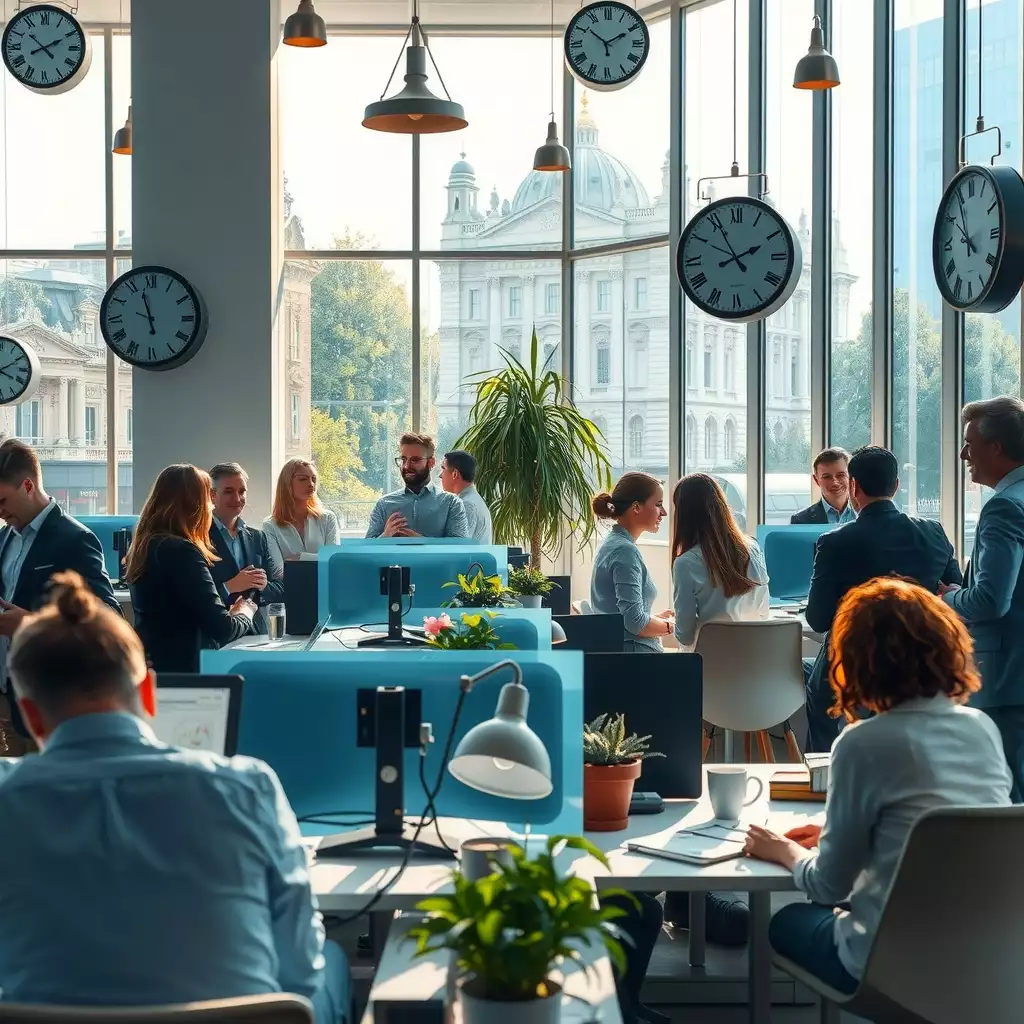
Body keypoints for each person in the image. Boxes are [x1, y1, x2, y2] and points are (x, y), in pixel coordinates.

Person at [0, 570, 350, 1021]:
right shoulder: (246, 788)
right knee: (335, 966)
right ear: (149, 692)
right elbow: (299, 974)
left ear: (28, 716)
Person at [745, 577, 1011, 994]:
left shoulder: (861, 744)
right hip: (993, 959)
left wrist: (783, 850)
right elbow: (945, 831)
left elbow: (827, 886)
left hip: (891, 965)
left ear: (855, 659)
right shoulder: (982, 730)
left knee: (786, 922)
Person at [803, 445, 962, 751]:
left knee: (819, 692)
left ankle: (822, 777)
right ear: (896, 486)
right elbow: (954, 590)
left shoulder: (835, 542)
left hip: (852, 657)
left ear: (854, 486)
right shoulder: (934, 533)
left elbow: (818, 619)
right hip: (919, 657)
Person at [0, 438, 120, 753]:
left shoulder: (75, 539)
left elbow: (109, 615)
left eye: (2, 501)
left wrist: (33, 622)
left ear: (28, 486)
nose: (0, 512)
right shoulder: (4, 538)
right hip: (5, 699)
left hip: (45, 702)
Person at [940, 396, 1024, 801]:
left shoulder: (1004, 508)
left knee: (1005, 798)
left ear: (996, 447)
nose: (962, 454)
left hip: (1007, 679)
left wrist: (951, 598)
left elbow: (990, 600)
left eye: (969, 444)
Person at [127, 465, 256, 672]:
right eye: (208, 500)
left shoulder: (146, 545)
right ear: (194, 504)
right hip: (186, 673)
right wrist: (245, 612)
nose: (210, 508)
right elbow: (222, 628)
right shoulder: (182, 551)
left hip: (155, 667)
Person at [670, 472, 770, 651]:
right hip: (751, 661)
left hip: (706, 667)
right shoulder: (753, 548)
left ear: (683, 514)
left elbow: (685, 637)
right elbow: (763, 613)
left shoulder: (685, 563)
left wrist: (672, 624)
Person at [590, 472, 673, 652]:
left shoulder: (613, 543)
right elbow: (635, 622)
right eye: (658, 504)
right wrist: (672, 627)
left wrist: (655, 619)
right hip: (635, 658)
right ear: (636, 507)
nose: (664, 512)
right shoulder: (625, 550)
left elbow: (623, 616)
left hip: (620, 651)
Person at [209, 462, 284, 635]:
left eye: (242, 491)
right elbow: (193, 600)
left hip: (256, 634)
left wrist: (264, 585)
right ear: (213, 495)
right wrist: (230, 586)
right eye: (228, 491)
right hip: (218, 637)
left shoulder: (257, 537)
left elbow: (279, 590)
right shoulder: (198, 538)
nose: (237, 498)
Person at [365, 433, 469, 539]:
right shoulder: (384, 504)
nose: (406, 466)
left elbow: (458, 548)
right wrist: (385, 536)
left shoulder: (452, 503)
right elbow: (366, 550)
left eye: (415, 460)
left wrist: (422, 541)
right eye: (404, 459)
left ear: (431, 462)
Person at [262, 459, 340, 563]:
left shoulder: (327, 518)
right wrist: (319, 558)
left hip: (324, 579)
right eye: (303, 479)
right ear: (287, 482)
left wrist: (301, 557)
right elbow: (278, 571)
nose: (311, 484)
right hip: (289, 580)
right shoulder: (270, 525)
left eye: (314, 479)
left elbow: (334, 560)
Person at [440, 448, 492, 543]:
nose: (440, 475)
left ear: (455, 474)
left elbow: (456, 548)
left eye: (443, 469)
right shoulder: (473, 499)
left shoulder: (466, 505)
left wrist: (419, 539)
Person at [791, 447, 854, 525]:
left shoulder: (866, 514)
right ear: (816, 480)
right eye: (827, 477)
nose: (835, 482)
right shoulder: (801, 520)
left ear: (850, 476)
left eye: (840, 475)